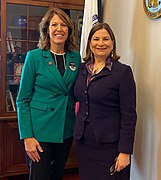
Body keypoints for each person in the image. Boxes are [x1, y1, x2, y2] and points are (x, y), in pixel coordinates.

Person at [16, 8, 81, 180]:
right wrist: (27, 137)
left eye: (64, 25)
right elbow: (22, 100)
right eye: (54, 25)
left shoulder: (76, 58)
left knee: (57, 176)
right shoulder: (34, 57)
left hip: (65, 130)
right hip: (40, 133)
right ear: (46, 29)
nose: (59, 29)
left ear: (69, 30)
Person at [74, 23, 137, 180]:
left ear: (112, 43)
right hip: (84, 143)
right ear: (89, 43)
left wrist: (125, 151)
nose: (100, 43)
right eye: (96, 39)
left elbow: (129, 115)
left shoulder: (122, 72)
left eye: (105, 39)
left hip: (110, 146)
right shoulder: (81, 70)